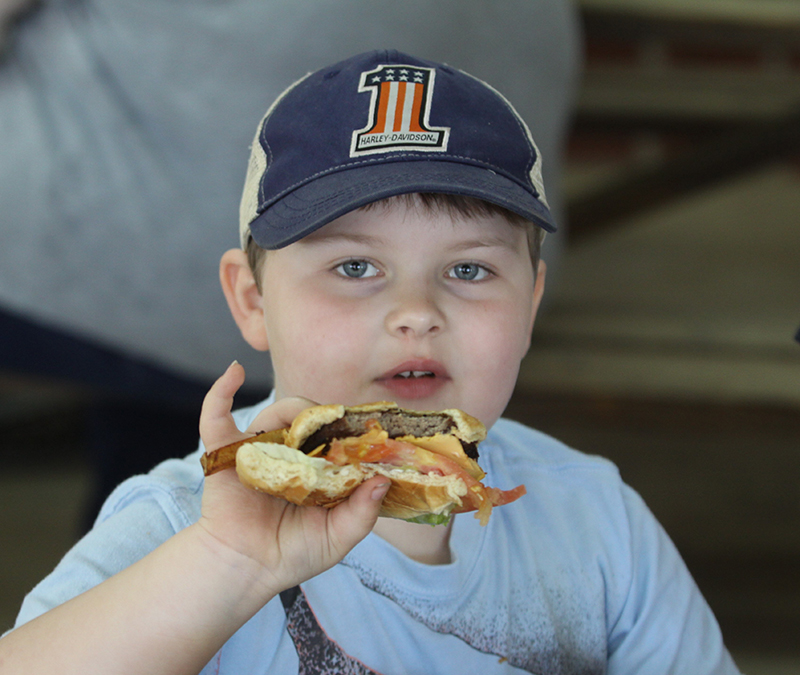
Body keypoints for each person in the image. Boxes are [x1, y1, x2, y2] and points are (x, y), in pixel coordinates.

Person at [0, 50, 786, 675]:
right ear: (251, 301)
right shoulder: (186, 521)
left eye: (470, 270)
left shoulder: (594, 517)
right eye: (354, 268)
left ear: (532, 304)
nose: (417, 310)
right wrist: (226, 563)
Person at [0, 0, 581, 530]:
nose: (415, 313)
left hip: (146, 285)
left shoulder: (594, 509)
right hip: (386, 303)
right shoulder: (586, 505)